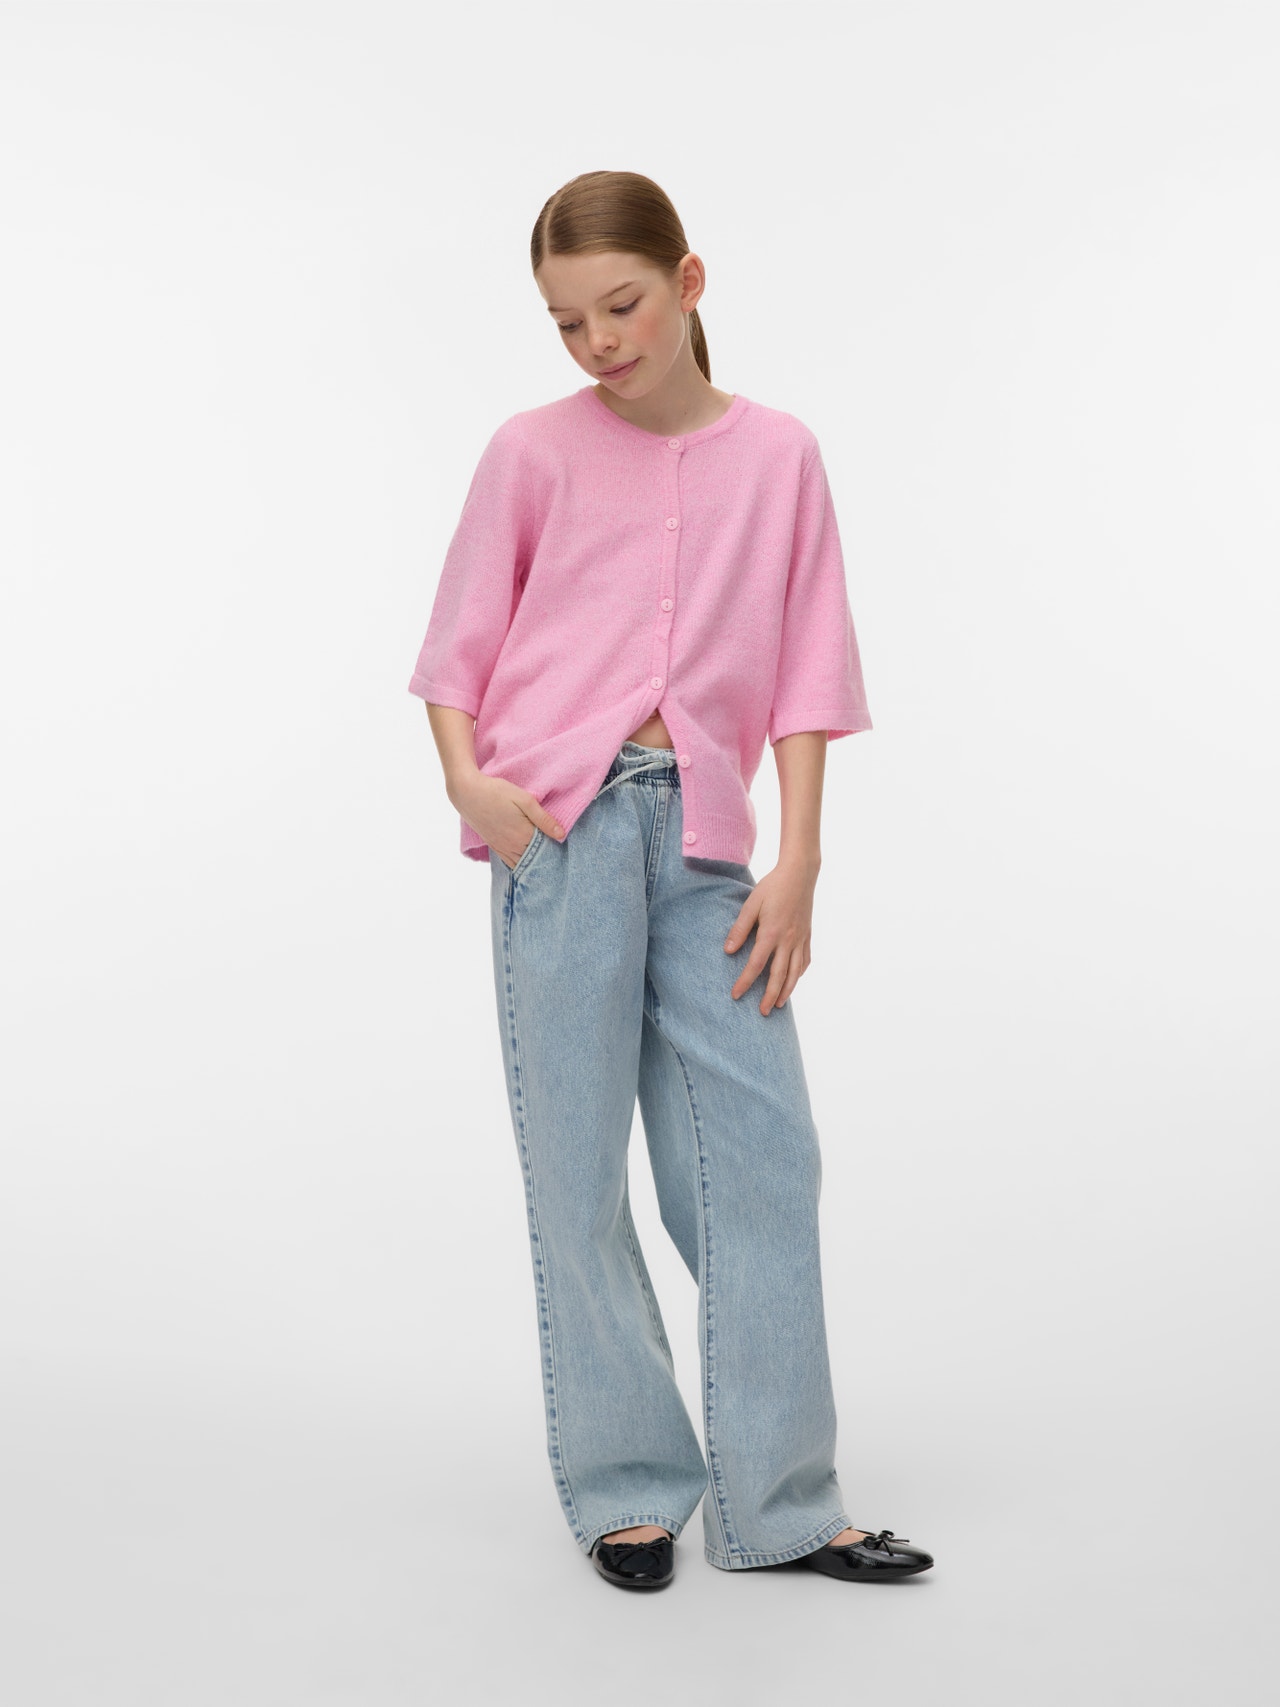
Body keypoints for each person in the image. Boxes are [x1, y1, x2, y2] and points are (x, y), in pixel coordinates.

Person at [407, 170, 934, 1592]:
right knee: (576, 1171)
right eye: (567, 321)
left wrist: (801, 858)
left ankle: (783, 1503)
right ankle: (627, 1486)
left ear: (689, 283)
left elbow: (810, 667)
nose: (598, 342)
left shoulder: (782, 456)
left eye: (622, 306)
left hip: (709, 845)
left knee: (764, 1160)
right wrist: (470, 787)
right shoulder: (530, 451)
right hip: (560, 833)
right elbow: (456, 651)